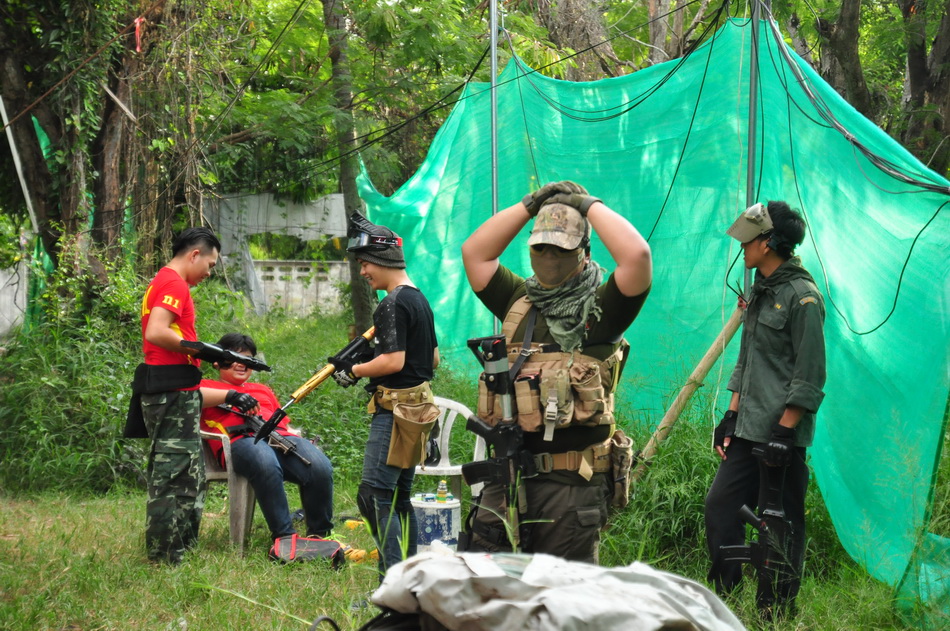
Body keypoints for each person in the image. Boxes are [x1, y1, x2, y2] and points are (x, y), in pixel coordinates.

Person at [459, 181, 652, 563]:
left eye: (562, 248)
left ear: (584, 251)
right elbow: (475, 253)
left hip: (571, 486)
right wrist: (531, 204)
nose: (550, 256)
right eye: (541, 247)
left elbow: (637, 257)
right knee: (488, 586)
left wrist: (586, 204)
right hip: (508, 475)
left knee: (561, 595)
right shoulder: (519, 300)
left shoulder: (601, 310)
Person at [705, 201, 826, 619]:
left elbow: (810, 374)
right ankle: (724, 602)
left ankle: (774, 615)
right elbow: (746, 361)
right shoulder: (760, 290)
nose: (743, 247)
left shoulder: (803, 298)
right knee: (720, 507)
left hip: (780, 436)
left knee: (782, 526)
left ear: (769, 242)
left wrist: (785, 432)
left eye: (750, 240)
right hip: (747, 429)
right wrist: (731, 415)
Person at [130, 227, 258, 565]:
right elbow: (156, 331)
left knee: (186, 473)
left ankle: (180, 549)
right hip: (170, 391)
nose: (209, 272)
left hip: (176, 388)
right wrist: (202, 350)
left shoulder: (165, 281)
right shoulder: (173, 283)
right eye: (211, 264)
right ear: (194, 254)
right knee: (174, 475)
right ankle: (166, 555)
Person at [328, 213, 439, 579]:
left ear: (382, 258)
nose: (363, 272)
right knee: (398, 497)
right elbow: (432, 359)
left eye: (365, 263)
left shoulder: (391, 303)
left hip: (395, 410)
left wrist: (355, 369)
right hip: (419, 409)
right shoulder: (419, 299)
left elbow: (394, 361)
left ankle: (391, 584)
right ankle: (408, 582)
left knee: (374, 496)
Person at [199, 332, 337, 545]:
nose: (241, 364)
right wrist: (231, 396)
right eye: (234, 358)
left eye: (247, 359)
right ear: (218, 361)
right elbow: (191, 396)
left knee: (319, 465)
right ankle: (285, 537)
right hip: (241, 442)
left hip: (280, 439)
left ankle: (321, 537)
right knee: (265, 462)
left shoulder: (263, 390)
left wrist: (302, 442)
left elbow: (285, 425)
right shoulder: (207, 386)